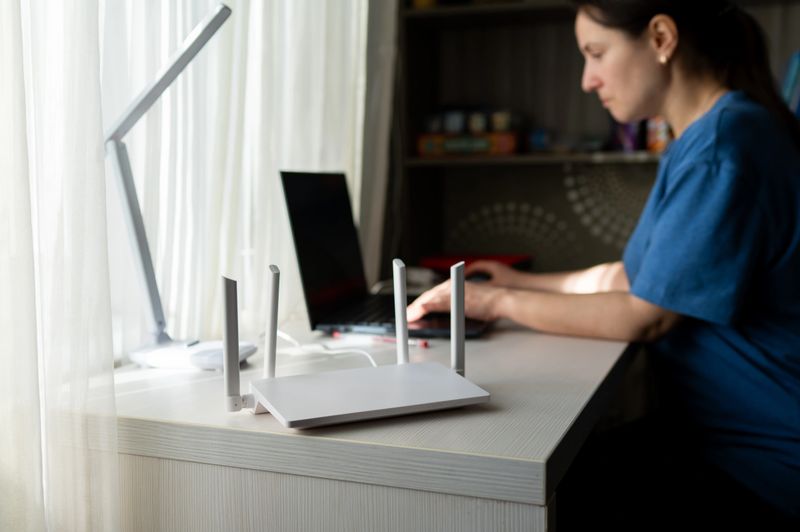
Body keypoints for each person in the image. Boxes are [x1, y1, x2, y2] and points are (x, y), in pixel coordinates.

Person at [407, 0, 800, 528]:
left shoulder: (723, 148)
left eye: (595, 53)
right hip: (719, 436)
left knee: (533, 484)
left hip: (760, 462)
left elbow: (647, 314)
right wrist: (521, 281)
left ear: (661, 38)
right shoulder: (709, 136)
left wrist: (495, 301)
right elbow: (637, 277)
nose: (588, 80)